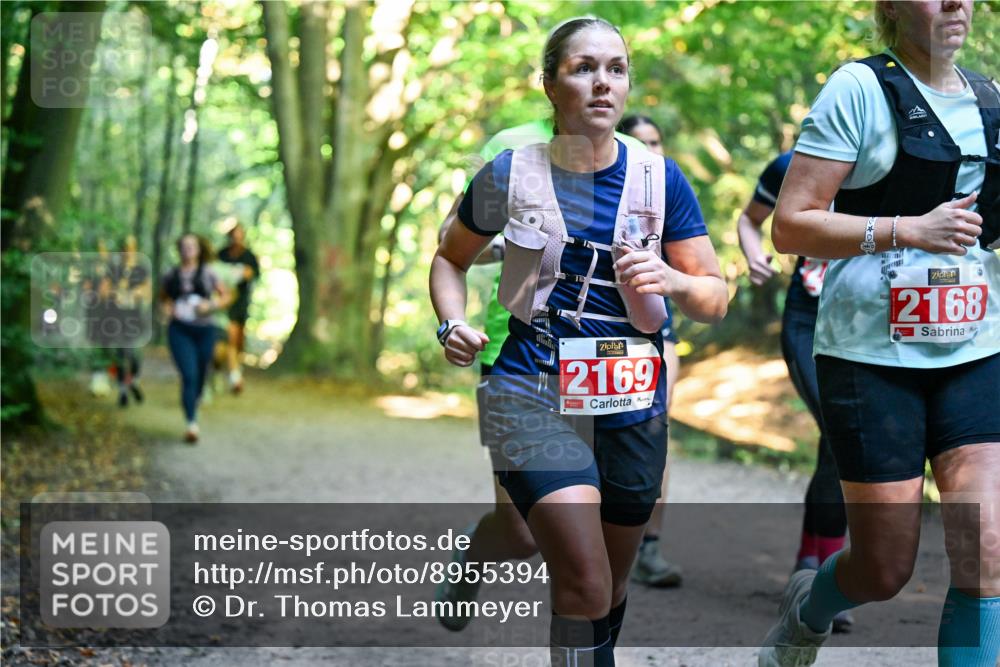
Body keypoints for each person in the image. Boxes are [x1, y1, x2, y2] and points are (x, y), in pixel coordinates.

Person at [431, 17, 727, 665]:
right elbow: (450, 257)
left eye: (616, 69)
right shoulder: (511, 171)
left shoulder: (660, 179)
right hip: (528, 386)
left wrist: (674, 278)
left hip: (630, 399)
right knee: (584, 580)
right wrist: (451, 323)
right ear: (549, 84)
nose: (602, 83)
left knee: (610, 588)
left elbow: (714, 296)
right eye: (583, 68)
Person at [758, 2, 999, 666]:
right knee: (885, 567)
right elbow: (790, 225)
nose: (957, 3)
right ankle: (810, 607)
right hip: (870, 356)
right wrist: (906, 228)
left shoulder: (989, 97)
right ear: (891, 6)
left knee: (986, 549)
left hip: (974, 349)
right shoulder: (858, 89)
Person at [736, 151, 852, 631]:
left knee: (838, 441)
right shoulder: (792, 165)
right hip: (807, 320)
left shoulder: (895, 160)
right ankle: (827, 574)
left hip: (864, 325)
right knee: (840, 432)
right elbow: (750, 219)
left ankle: (811, 561)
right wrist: (753, 254)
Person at [160, 233, 229, 444]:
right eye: (184, 246)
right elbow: (162, 300)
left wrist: (210, 306)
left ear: (199, 250)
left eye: (192, 246)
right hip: (180, 330)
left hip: (205, 330)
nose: (188, 250)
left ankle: (196, 398)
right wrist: (167, 310)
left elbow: (226, 296)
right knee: (189, 374)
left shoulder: (209, 273)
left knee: (201, 371)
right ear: (179, 250)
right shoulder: (170, 275)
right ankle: (192, 423)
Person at [216, 221, 259, 394]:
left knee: (237, 340)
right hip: (222, 305)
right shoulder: (221, 255)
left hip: (240, 303)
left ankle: (233, 371)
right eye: (234, 235)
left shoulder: (249, 256)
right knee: (228, 339)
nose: (237, 239)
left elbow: (252, 274)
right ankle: (230, 374)